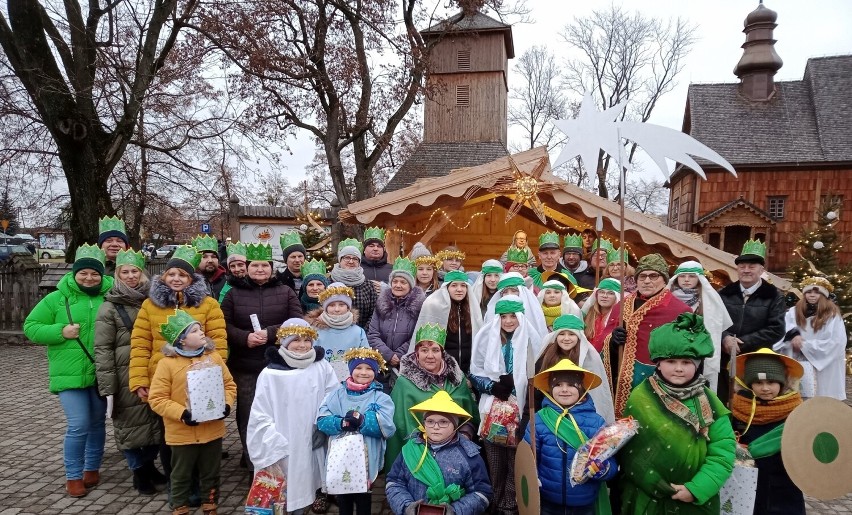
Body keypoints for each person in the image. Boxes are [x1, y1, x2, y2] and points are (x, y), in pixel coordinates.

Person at [617, 313, 736, 515]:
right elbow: (628, 448)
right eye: (671, 361)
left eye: (687, 362)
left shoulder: (710, 403)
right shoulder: (641, 396)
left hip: (692, 501)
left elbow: (723, 452)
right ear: (658, 363)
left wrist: (697, 488)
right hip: (644, 495)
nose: (679, 369)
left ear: (697, 365)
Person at [129, 245, 228, 481]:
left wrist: (214, 375)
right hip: (164, 378)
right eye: (171, 274)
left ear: (191, 278)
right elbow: (140, 344)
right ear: (164, 277)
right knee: (170, 433)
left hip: (200, 377)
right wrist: (140, 379)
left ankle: (199, 482)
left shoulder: (208, 305)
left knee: (201, 429)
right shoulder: (150, 306)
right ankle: (178, 483)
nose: (176, 279)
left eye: (182, 275)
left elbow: (219, 341)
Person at [24, 244, 114, 498]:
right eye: (83, 273)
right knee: (78, 424)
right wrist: (59, 332)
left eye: (94, 273)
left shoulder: (109, 297)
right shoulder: (56, 298)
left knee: (97, 423)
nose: (89, 277)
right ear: (74, 274)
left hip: (100, 372)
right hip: (69, 374)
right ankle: (73, 476)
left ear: (101, 274)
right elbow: (31, 326)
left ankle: (92, 468)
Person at [220, 242, 303, 473]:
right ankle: (253, 464)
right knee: (248, 414)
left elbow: (296, 319)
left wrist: (271, 333)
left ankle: (279, 460)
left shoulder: (285, 291)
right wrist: (243, 337)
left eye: (264, 265)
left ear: (271, 268)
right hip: (246, 365)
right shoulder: (233, 293)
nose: (260, 269)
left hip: (278, 363)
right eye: (255, 265)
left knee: (278, 413)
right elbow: (222, 324)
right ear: (246, 268)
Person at [147, 310, 237, 515]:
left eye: (200, 328)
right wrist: (182, 413)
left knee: (211, 473)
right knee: (181, 474)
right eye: (195, 331)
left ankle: (210, 505)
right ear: (182, 340)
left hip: (212, 430)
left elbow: (229, 385)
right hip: (182, 433)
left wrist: (226, 405)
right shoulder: (167, 364)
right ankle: (180, 508)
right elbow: (157, 399)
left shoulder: (213, 357)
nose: (202, 332)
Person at [246, 318, 339, 515]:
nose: (302, 345)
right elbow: (260, 413)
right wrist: (273, 444)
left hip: (311, 439)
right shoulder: (271, 374)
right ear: (285, 342)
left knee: (306, 485)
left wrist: (323, 426)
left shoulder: (321, 367)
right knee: (283, 491)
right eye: (296, 340)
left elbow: (332, 398)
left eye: (307, 340)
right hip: (282, 444)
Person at [93, 249, 165, 495]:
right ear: (117, 275)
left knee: (155, 424)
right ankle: (140, 472)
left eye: (135, 271)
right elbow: (102, 349)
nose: (131, 276)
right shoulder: (109, 308)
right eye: (126, 272)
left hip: (152, 370)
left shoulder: (153, 300)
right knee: (129, 427)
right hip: (123, 375)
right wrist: (107, 385)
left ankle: (149, 466)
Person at [470, 296, 544, 514]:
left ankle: (511, 503)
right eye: (504, 316)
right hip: (493, 409)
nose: (509, 321)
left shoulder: (531, 339)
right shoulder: (487, 339)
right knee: (494, 459)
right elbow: (475, 372)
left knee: (515, 459)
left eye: (513, 316)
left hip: (520, 410)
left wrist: (522, 386)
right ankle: (496, 498)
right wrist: (492, 387)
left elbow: (536, 374)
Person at [526, 360, 617, 515]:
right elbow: (528, 458)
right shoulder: (539, 419)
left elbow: (611, 464)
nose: (564, 390)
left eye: (571, 385)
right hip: (547, 500)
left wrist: (603, 470)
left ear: (581, 388)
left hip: (584, 501)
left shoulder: (596, 422)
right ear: (550, 389)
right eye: (558, 385)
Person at [384, 324, 479, 472]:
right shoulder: (404, 383)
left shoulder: (457, 380)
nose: (430, 356)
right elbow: (399, 424)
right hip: (418, 452)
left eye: (435, 350)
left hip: (455, 449)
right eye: (424, 350)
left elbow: (470, 414)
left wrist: (465, 434)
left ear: (442, 353)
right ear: (416, 353)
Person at [606, 254, 690, 417]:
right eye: (642, 276)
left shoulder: (680, 311)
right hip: (620, 384)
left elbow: (689, 351)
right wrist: (612, 341)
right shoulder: (622, 306)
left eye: (653, 276)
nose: (646, 280)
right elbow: (604, 339)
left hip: (659, 381)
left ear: (664, 280)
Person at [386, 391, 492, 515]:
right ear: (423, 423)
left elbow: (482, 493)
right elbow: (394, 483)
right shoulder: (410, 450)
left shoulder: (469, 456)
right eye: (430, 421)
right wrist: (406, 506)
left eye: (443, 422)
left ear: (455, 425)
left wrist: (456, 510)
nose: (435, 427)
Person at [317, 348, 396, 515]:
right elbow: (322, 420)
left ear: (376, 371)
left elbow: (388, 427)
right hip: (340, 456)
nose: (364, 372)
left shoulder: (381, 398)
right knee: (344, 497)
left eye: (369, 368)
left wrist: (364, 421)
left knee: (363, 496)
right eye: (358, 368)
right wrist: (341, 423)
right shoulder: (336, 395)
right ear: (351, 369)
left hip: (366, 459)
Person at [730, 349, 805, 515]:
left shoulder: (796, 413)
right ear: (749, 385)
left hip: (785, 486)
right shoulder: (738, 411)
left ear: (782, 383)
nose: (765, 388)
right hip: (749, 485)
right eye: (758, 383)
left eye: (771, 382)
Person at [717, 240, 786, 402]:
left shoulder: (774, 296)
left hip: (755, 360)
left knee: (749, 401)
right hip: (724, 360)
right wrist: (725, 338)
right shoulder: (723, 293)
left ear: (761, 269)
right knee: (723, 400)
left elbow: (776, 328)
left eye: (751, 266)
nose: (746, 270)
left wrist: (742, 342)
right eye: (742, 267)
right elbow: (714, 321)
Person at [774, 276, 846, 400]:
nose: (812, 295)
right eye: (808, 292)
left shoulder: (832, 316)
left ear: (824, 295)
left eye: (817, 292)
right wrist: (793, 335)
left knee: (822, 398)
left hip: (825, 367)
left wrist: (805, 345)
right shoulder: (794, 311)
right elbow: (783, 329)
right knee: (799, 397)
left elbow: (836, 343)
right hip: (799, 362)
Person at [535, 315, 614, 423]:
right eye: (562, 334)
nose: (566, 338)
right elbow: (537, 392)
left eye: (571, 334)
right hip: (550, 412)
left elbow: (596, 393)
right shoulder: (546, 357)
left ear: (578, 336)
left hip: (582, 414)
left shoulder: (588, 359)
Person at [667, 261, 732, 392]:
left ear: (699, 278)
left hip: (698, 353)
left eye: (691, 276)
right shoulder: (667, 298)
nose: (686, 280)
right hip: (671, 351)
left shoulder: (708, 299)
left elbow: (716, 325)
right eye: (682, 276)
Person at [410, 270, 483, 374]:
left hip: (468, 369)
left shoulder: (472, 308)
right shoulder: (434, 305)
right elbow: (426, 342)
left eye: (463, 285)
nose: (459, 289)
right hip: (442, 370)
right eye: (454, 285)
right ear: (446, 288)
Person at [367, 258, 425, 387]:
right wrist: (388, 355)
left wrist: (398, 355)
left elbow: (418, 335)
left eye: (403, 282)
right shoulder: (382, 304)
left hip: (407, 364)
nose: (398, 285)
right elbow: (372, 334)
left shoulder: (420, 306)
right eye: (395, 281)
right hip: (381, 363)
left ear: (410, 285)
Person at [309, 282, 370, 381]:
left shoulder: (357, 332)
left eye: (341, 305)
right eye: (332, 305)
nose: (337, 309)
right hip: (321, 379)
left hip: (350, 381)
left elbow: (365, 359)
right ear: (326, 307)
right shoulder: (315, 330)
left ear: (348, 307)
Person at [330, 238, 378, 328]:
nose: (351, 261)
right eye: (347, 257)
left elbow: (374, 313)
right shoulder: (329, 281)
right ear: (340, 260)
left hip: (362, 334)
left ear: (359, 262)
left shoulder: (367, 285)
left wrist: (363, 333)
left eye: (355, 259)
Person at [484, 272, 548, 338]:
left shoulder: (532, 311)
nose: (509, 294)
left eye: (514, 291)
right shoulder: (493, 313)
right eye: (505, 292)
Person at [581, 278, 621, 355]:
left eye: (610, 293)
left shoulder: (620, 318)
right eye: (601, 292)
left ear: (617, 296)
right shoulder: (588, 314)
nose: (604, 296)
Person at [192, 235, 227, 300]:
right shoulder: (189, 283)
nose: (210, 260)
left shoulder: (227, 282)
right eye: (204, 257)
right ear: (196, 260)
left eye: (213, 257)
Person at [561, 234, 594, 298]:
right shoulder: (558, 269)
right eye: (568, 254)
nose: (571, 257)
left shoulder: (589, 271)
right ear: (563, 256)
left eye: (575, 254)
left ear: (580, 256)